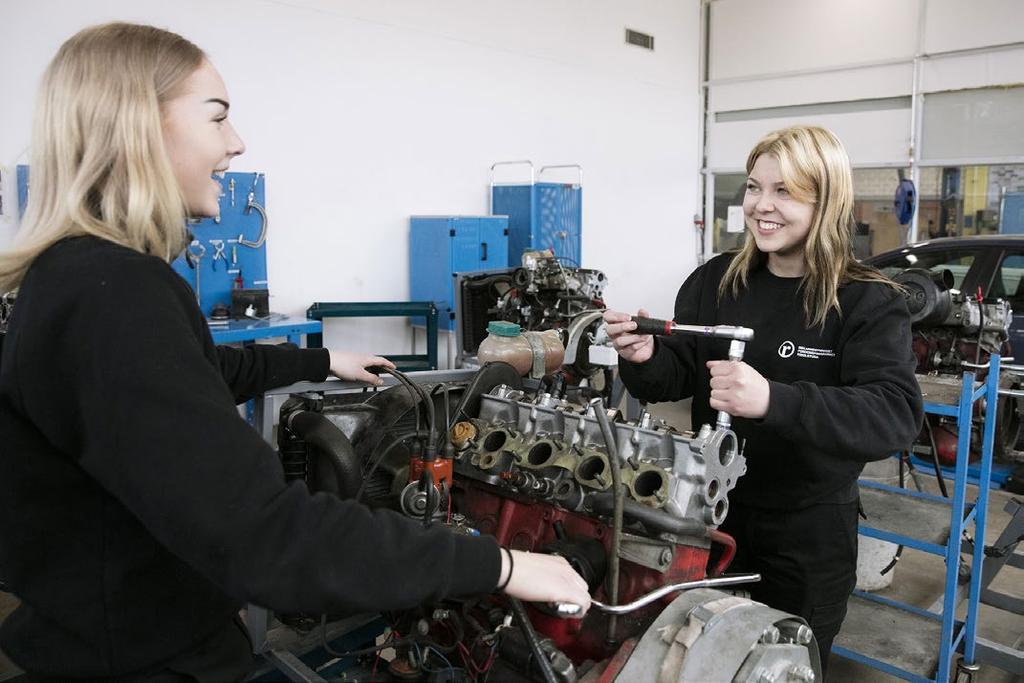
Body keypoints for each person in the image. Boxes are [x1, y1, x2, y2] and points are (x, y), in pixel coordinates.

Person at [0, 23, 589, 681]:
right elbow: (266, 536)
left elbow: (199, 375)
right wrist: (501, 562)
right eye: (217, 116)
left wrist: (319, 360)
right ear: (139, 125)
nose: (236, 142)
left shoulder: (74, 280)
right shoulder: (115, 294)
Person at [604, 125, 923, 674]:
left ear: (826, 202)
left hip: (806, 534)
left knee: (782, 666)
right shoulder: (716, 281)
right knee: (697, 660)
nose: (761, 206)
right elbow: (679, 375)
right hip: (711, 516)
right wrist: (643, 358)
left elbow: (893, 415)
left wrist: (776, 400)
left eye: (784, 191)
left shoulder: (867, 300)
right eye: (754, 187)